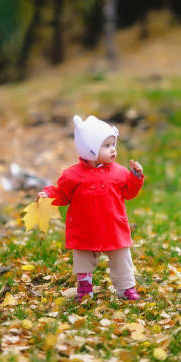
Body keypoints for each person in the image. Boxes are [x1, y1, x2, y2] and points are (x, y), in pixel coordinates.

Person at [37, 115, 144, 302]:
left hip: (113, 227)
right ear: (90, 149)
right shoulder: (73, 175)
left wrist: (135, 176)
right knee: (83, 259)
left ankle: (126, 288)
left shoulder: (119, 172)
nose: (113, 150)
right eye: (106, 146)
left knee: (122, 259)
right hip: (85, 227)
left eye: (113, 145)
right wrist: (48, 195)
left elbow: (129, 192)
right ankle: (85, 287)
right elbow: (62, 194)